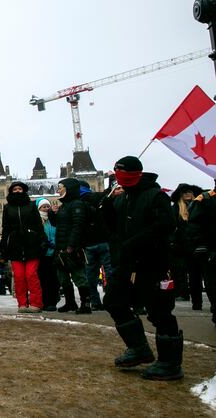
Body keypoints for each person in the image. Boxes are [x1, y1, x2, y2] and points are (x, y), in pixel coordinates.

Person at [102, 156, 183, 380]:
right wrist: (107, 206)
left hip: (153, 262)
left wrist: (135, 242)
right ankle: (139, 348)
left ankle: (170, 362)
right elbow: (111, 228)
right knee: (113, 301)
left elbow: (165, 225)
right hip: (126, 263)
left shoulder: (155, 196)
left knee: (159, 311)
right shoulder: (120, 197)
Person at [0, 182, 45, 313]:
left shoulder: (31, 205)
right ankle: (22, 304)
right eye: (15, 189)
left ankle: (36, 303)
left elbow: (38, 225)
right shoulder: (7, 208)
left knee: (31, 275)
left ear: (23, 191)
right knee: (19, 277)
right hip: (15, 246)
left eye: (20, 189)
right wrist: (4, 247)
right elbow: (5, 228)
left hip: (32, 245)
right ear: (11, 191)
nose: (18, 191)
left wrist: (42, 241)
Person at [49, 178, 92, 314]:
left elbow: (78, 226)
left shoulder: (77, 204)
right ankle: (70, 302)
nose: (59, 190)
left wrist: (72, 245)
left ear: (68, 189)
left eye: (61, 187)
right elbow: (57, 224)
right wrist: (52, 214)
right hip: (61, 246)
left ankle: (85, 304)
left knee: (78, 276)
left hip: (72, 247)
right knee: (63, 276)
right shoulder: (64, 206)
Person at [80, 180, 114, 311]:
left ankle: (95, 301)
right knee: (109, 272)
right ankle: (111, 300)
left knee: (90, 275)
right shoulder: (100, 197)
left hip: (89, 243)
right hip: (104, 240)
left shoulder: (77, 203)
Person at [169, 184, 203, 307]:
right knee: (180, 272)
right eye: (184, 192)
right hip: (181, 246)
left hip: (198, 245)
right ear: (180, 195)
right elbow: (171, 227)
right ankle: (185, 294)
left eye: (189, 192)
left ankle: (196, 300)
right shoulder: (175, 209)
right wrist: (173, 242)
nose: (187, 194)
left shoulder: (200, 206)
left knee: (197, 274)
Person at [189, 179, 216, 325]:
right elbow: (195, 224)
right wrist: (201, 245)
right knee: (213, 282)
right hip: (212, 250)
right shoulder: (205, 199)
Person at [36, 198, 59, 311]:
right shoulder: (37, 220)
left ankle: (52, 301)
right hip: (42, 254)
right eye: (43, 207)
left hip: (54, 253)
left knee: (54, 279)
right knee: (44, 279)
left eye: (47, 206)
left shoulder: (53, 219)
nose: (46, 208)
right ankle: (45, 301)